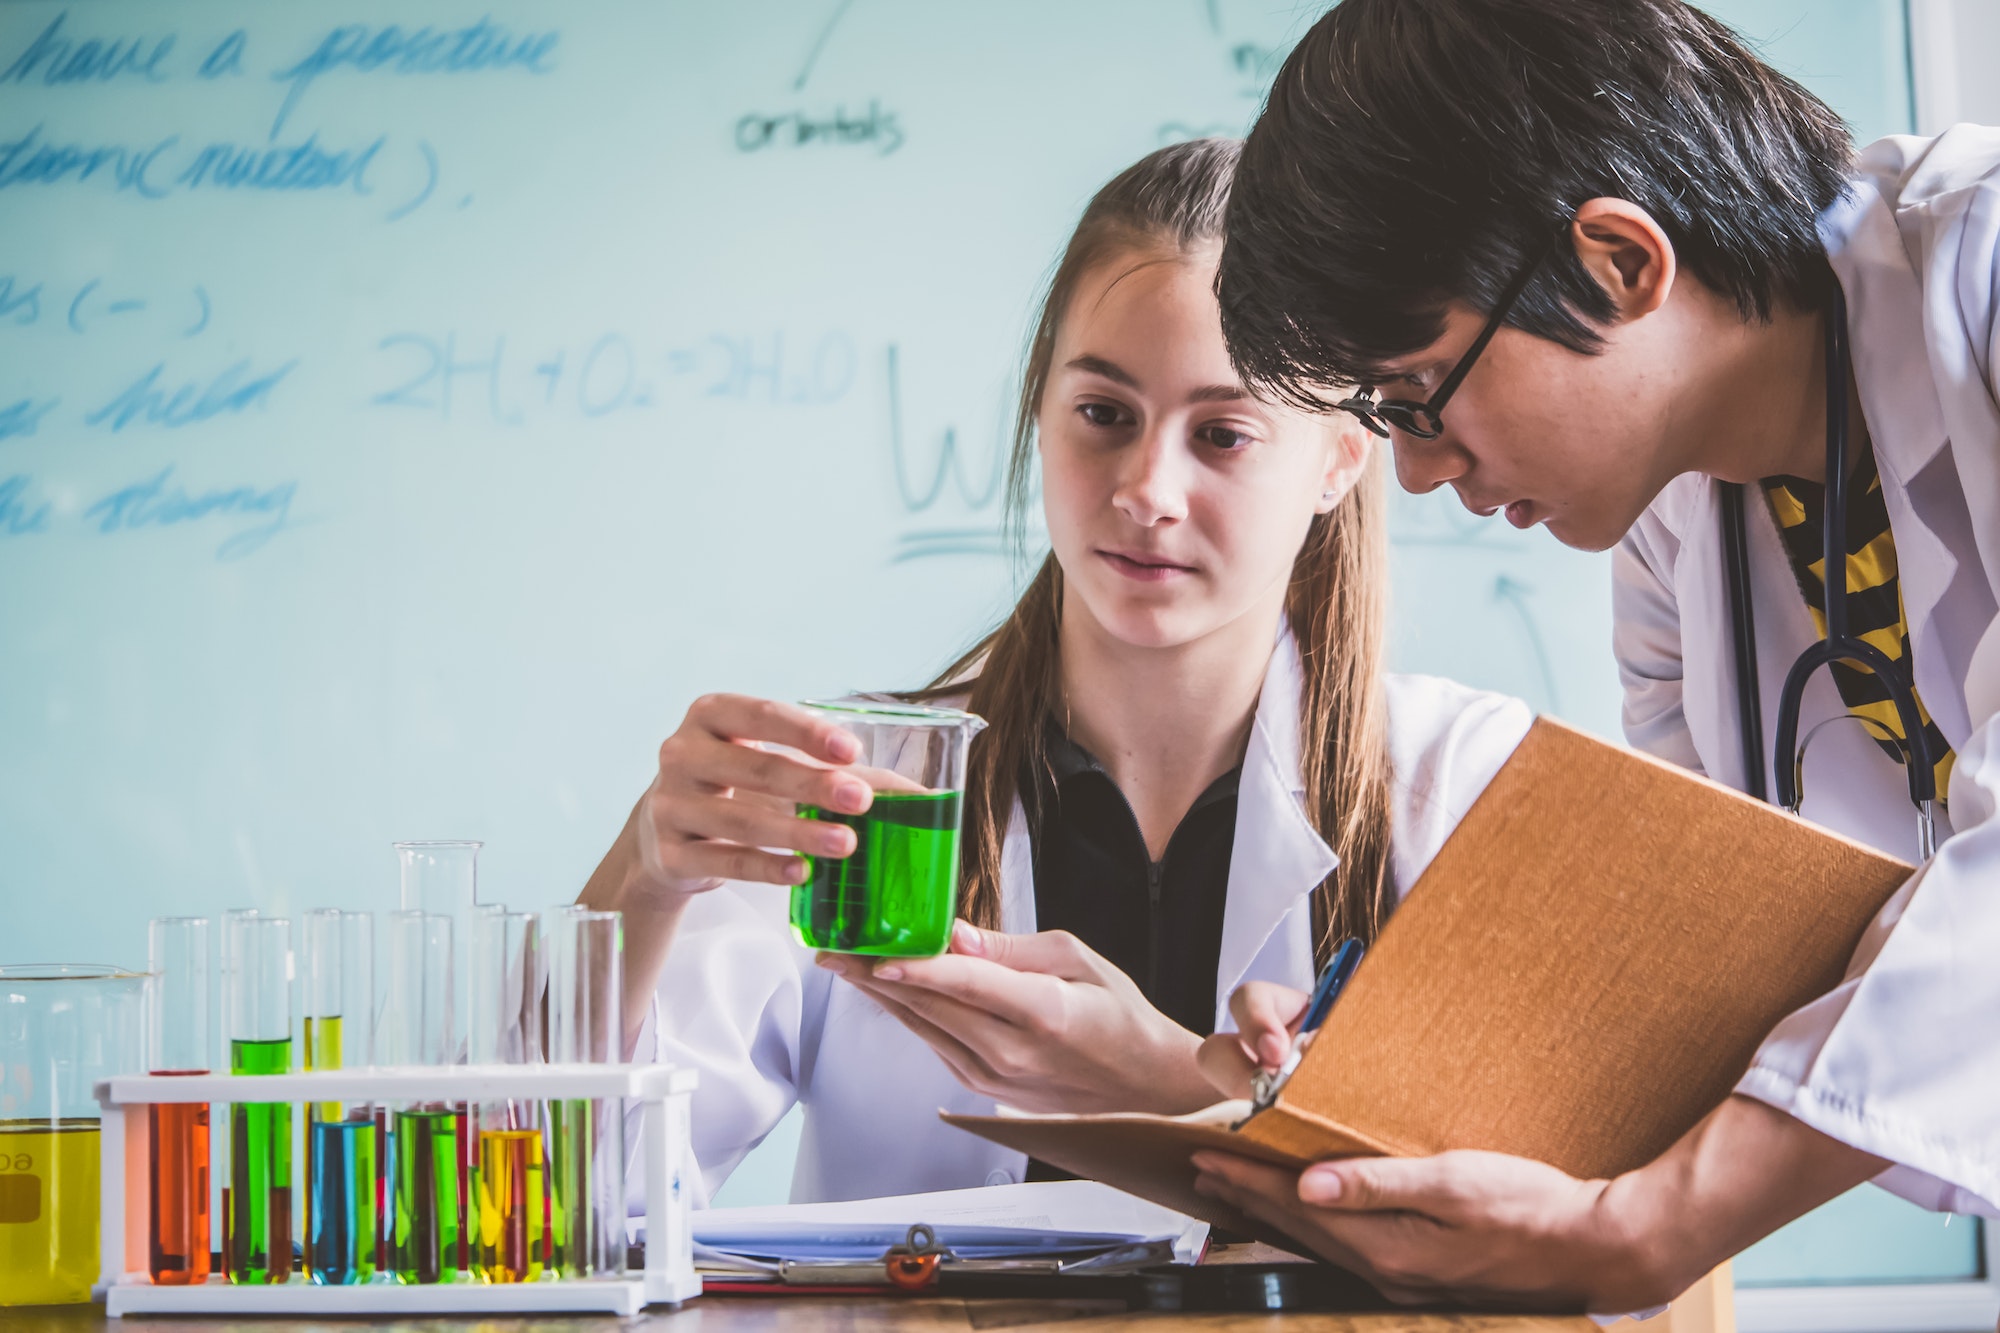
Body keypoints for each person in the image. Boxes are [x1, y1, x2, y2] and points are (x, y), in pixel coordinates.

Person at [1191, 0, 2000, 1313]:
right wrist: (1390, 1079)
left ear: (1621, 261)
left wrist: (1649, 1227)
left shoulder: (1988, 268)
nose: (1417, 469)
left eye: (1418, 395)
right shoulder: (1676, 539)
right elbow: (1737, 941)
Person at [576, 137, 1531, 1206]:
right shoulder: (858, 781)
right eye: (1104, 415)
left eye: (1220, 434)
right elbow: (579, 1200)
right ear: (1039, 409)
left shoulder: (1461, 785)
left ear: (1338, 461)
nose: (1143, 490)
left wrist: (1179, 1086)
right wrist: (643, 885)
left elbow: (1550, 1232)